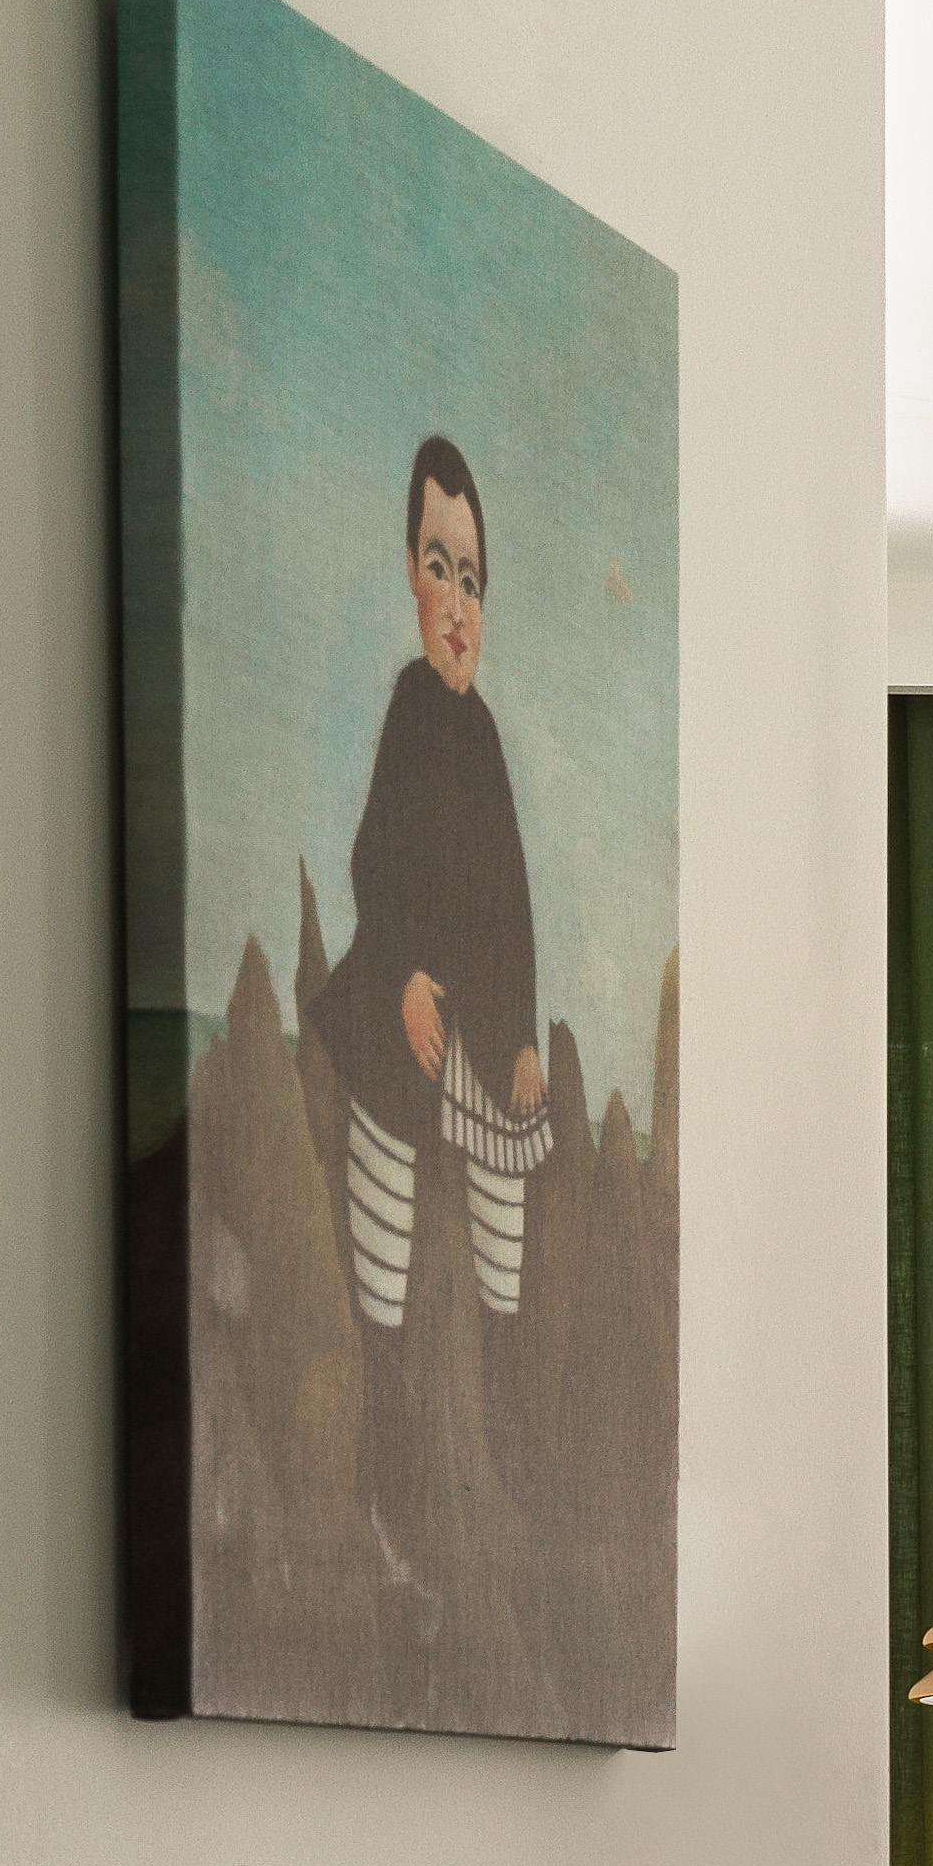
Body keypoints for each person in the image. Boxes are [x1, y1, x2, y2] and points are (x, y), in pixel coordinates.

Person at [310, 432, 553, 1449]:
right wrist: (406, 968)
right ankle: (383, 1378)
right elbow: (377, 856)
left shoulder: (487, 734)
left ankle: (496, 1378)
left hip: (480, 1008)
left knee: (506, 1171)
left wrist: (527, 1035)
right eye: (443, 571)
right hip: (400, 985)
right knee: (387, 1151)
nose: (460, 605)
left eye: (476, 582)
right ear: (413, 575)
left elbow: (513, 899)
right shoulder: (412, 707)